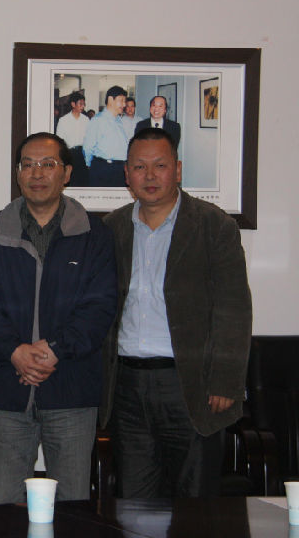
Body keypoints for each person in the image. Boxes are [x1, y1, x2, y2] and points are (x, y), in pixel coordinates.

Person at [100, 127, 252, 498]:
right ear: (127, 175)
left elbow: (233, 308)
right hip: (127, 386)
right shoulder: (111, 228)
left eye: (160, 165)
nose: (150, 176)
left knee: (194, 501)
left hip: (190, 384)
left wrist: (225, 381)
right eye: (139, 167)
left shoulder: (214, 226)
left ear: (178, 170)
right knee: (134, 501)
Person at [0, 132, 116, 504]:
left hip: (71, 386)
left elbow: (99, 307)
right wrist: (15, 352)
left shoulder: (94, 233)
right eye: (28, 165)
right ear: (18, 174)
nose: (37, 173)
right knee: (7, 504)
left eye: (48, 164)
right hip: (8, 385)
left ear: (66, 173)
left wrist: (54, 350)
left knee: (72, 505)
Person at [83, 85, 129, 187]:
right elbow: (88, 147)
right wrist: (90, 165)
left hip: (119, 169)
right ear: (110, 100)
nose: (124, 104)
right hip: (104, 169)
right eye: (121, 100)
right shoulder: (98, 120)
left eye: (124, 101)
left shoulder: (119, 120)